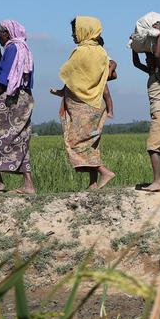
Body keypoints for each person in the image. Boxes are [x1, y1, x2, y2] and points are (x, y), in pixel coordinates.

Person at [56, 16, 115, 189]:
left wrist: (63, 93)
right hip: (96, 103)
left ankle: (104, 171)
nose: (73, 35)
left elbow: (70, 75)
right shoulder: (101, 52)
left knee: (75, 141)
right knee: (91, 144)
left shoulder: (81, 52)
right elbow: (109, 71)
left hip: (82, 104)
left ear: (83, 30)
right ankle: (93, 183)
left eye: (75, 31)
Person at [0, 20, 36, 194]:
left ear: (8, 33)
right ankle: (28, 184)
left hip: (12, 99)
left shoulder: (12, 48)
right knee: (20, 138)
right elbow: (15, 71)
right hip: (25, 99)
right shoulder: (22, 49)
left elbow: (6, 81)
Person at [130, 21, 160, 192]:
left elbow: (156, 56)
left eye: (149, 57)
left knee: (152, 147)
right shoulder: (152, 73)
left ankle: (158, 181)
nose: (146, 60)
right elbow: (136, 63)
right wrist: (133, 45)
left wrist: (159, 34)